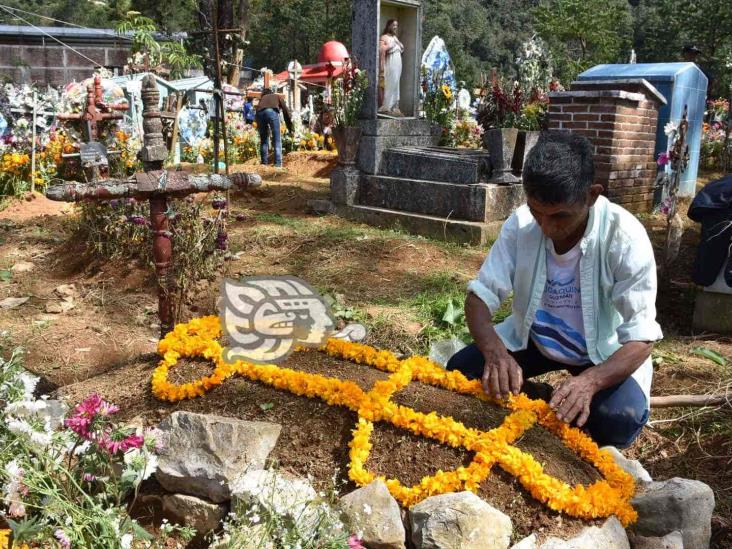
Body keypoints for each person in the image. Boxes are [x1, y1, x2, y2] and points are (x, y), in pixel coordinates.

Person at [447, 131, 663, 448]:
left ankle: (571, 393)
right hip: (534, 339)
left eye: (560, 216)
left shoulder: (624, 236)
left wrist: (590, 381)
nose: (547, 228)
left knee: (618, 420)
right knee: (462, 372)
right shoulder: (521, 225)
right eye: (537, 212)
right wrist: (496, 353)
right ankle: (536, 393)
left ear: (591, 195)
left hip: (601, 353)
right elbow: (479, 297)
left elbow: (642, 338)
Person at [255, 86, 293, 168]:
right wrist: (290, 127)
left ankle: (264, 163)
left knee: (264, 140)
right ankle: (278, 164)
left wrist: (259, 127)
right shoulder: (277, 96)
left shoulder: (262, 99)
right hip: (271, 112)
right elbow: (285, 111)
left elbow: (257, 112)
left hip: (259, 113)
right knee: (276, 139)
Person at [378, 19, 404, 116]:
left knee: (396, 83)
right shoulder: (384, 37)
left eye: (396, 26)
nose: (395, 27)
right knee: (390, 82)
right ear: (388, 26)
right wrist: (390, 45)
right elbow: (381, 49)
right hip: (390, 63)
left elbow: (401, 48)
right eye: (393, 25)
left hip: (398, 63)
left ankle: (394, 106)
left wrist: (399, 45)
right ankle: (386, 106)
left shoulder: (395, 37)